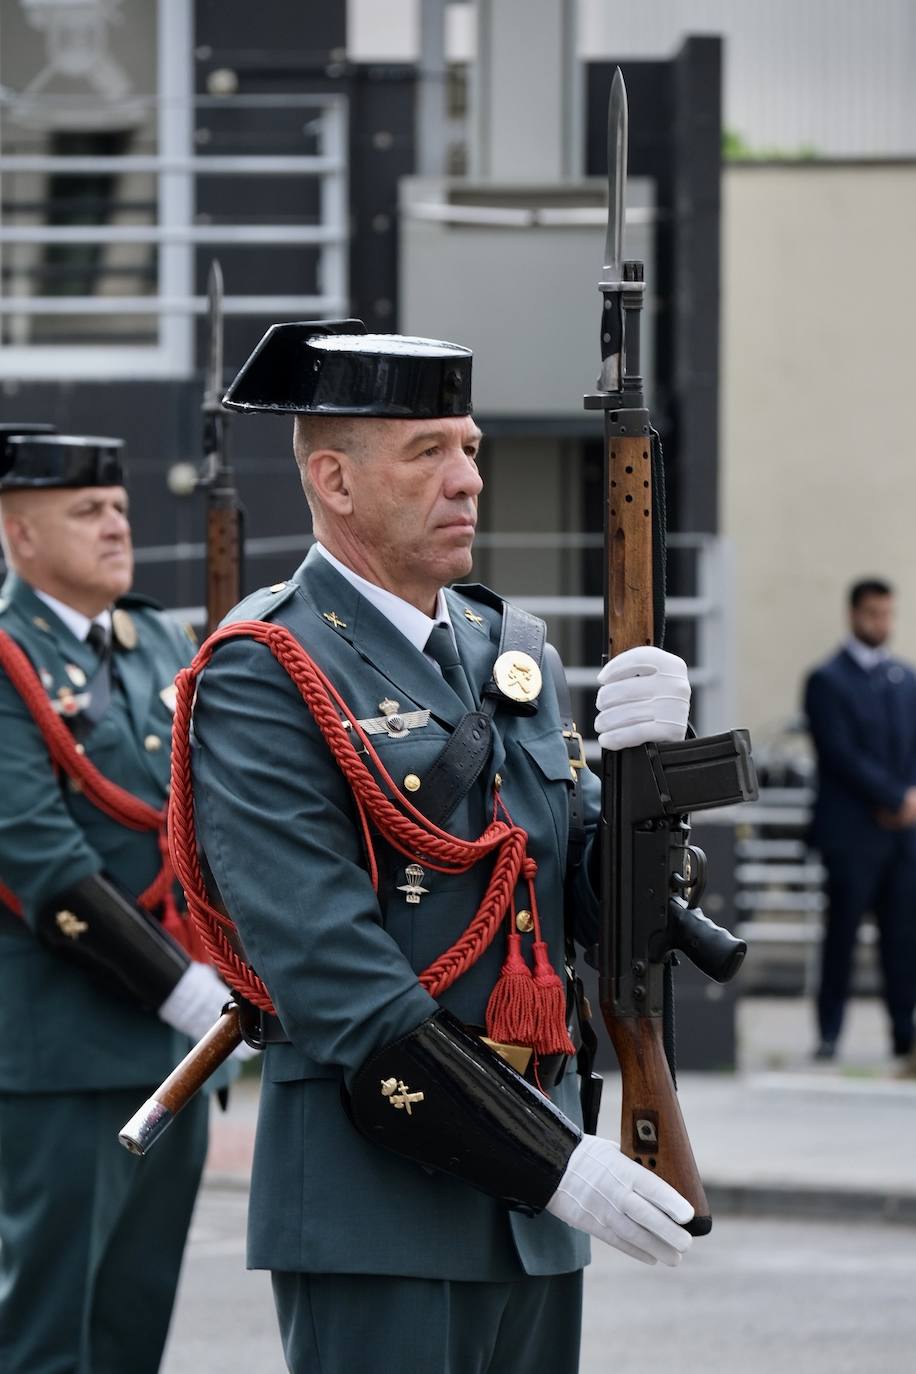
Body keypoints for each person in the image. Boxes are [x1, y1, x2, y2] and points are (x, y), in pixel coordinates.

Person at [187, 322, 695, 1374]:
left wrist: (653, 786)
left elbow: (579, 894)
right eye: (428, 453)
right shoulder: (268, 666)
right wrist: (559, 1167)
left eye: (469, 448)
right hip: (381, 1196)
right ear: (333, 477)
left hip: (535, 1204)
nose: (467, 479)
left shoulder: (507, 649)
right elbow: (334, 980)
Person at [0, 427, 249, 1374]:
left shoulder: (158, 644)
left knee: (131, 1329)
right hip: (68, 1051)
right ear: (21, 537)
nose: (115, 528)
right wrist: (182, 994)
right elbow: (39, 857)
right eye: (85, 512)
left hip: (173, 1057)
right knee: (46, 1332)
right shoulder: (9, 658)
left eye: (119, 511)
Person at [804, 577, 916, 1063]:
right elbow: (839, 753)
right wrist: (893, 796)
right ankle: (829, 1034)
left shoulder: (904, 678)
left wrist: (909, 798)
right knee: (842, 938)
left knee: (903, 938)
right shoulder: (827, 679)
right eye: (873, 614)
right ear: (854, 614)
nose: (881, 623)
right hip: (852, 834)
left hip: (902, 836)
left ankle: (903, 1034)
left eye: (888, 614)